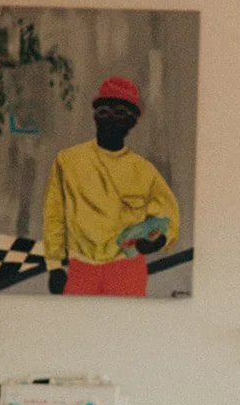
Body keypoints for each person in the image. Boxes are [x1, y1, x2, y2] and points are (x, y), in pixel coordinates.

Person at [43, 76, 180, 296]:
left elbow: (168, 218)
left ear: (132, 121)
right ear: (95, 116)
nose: (110, 119)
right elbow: (54, 216)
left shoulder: (144, 171)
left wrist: (157, 242)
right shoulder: (67, 161)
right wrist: (54, 266)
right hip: (81, 268)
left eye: (120, 113)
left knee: (128, 330)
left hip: (127, 269)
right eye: (104, 111)